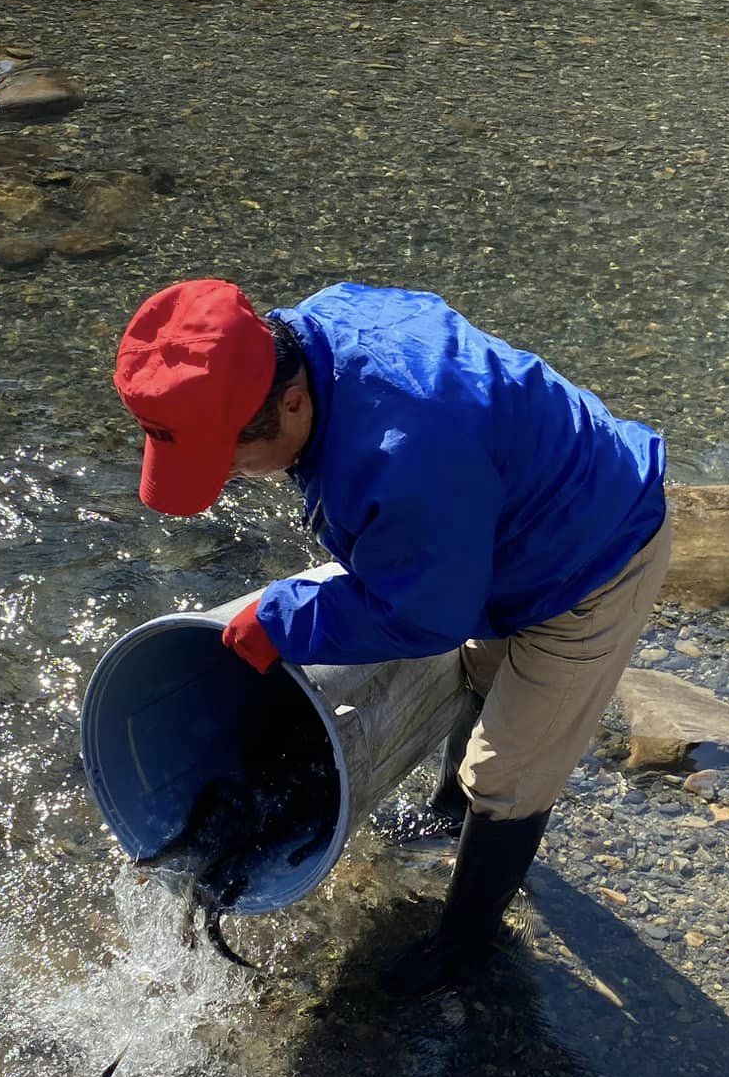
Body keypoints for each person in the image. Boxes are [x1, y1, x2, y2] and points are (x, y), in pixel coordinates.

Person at [112, 278, 670, 995]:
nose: (227, 482)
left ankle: (464, 947)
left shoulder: (410, 454)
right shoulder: (315, 332)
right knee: (478, 671)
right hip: (502, 524)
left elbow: (425, 618)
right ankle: (446, 818)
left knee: (510, 773)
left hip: (593, 557)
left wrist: (286, 620)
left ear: (290, 401)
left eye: (229, 460)